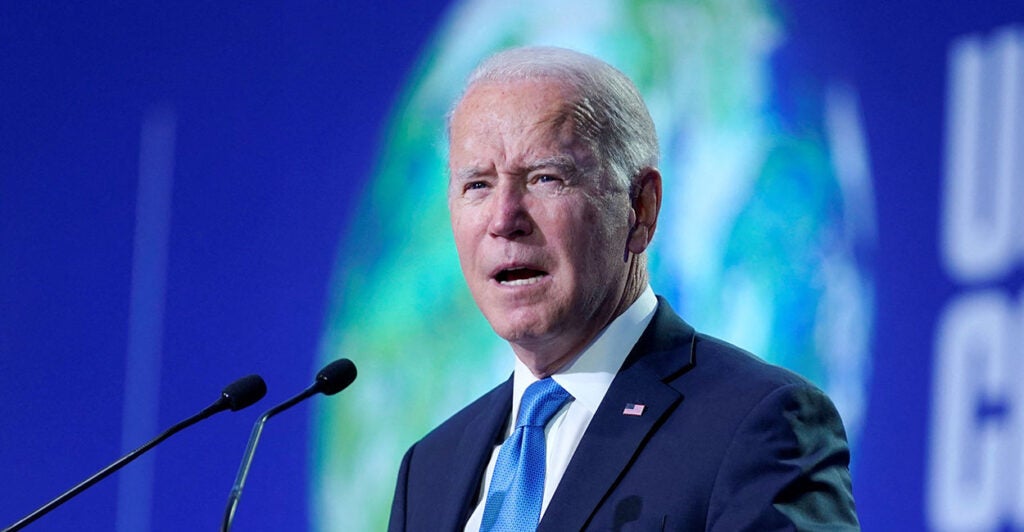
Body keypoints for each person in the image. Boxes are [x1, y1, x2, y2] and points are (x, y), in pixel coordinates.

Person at [387, 46, 859, 531]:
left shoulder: (757, 425)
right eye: (478, 185)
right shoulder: (429, 468)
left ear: (642, 208)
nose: (504, 219)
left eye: (546, 178)